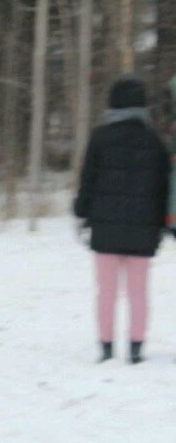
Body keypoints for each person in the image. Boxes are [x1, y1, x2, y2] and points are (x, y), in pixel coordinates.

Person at [74, 74, 171, 364]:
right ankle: (136, 346)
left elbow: (87, 180)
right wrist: (163, 223)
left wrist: (82, 211)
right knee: (138, 291)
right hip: (144, 230)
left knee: (106, 291)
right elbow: (164, 187)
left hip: (105, 228)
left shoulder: (100, 137)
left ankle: (106, 346)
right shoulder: (155, 140)